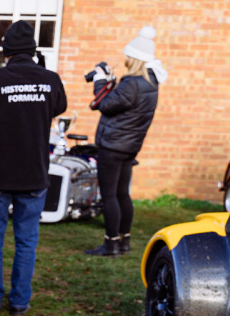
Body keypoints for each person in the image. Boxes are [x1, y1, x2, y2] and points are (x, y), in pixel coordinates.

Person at [0, 21, 67, 316]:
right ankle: (19, 301)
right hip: (33, 174)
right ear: (33, 50)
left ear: (6, 50)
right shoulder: (50, 80)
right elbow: (58, 108)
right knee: (27, 241)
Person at [84, 27, 165, 257]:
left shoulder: (131, 84)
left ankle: (110, 245)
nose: (125, 60)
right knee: (122, 194)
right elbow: (121, 105)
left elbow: (106, 105)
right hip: (129, 147)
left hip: (113, 146)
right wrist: (111, 82)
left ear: (135, 59)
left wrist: (100, 81)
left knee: (109, 195)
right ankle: (125, 241)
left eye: (128, 57)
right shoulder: (150, 83)